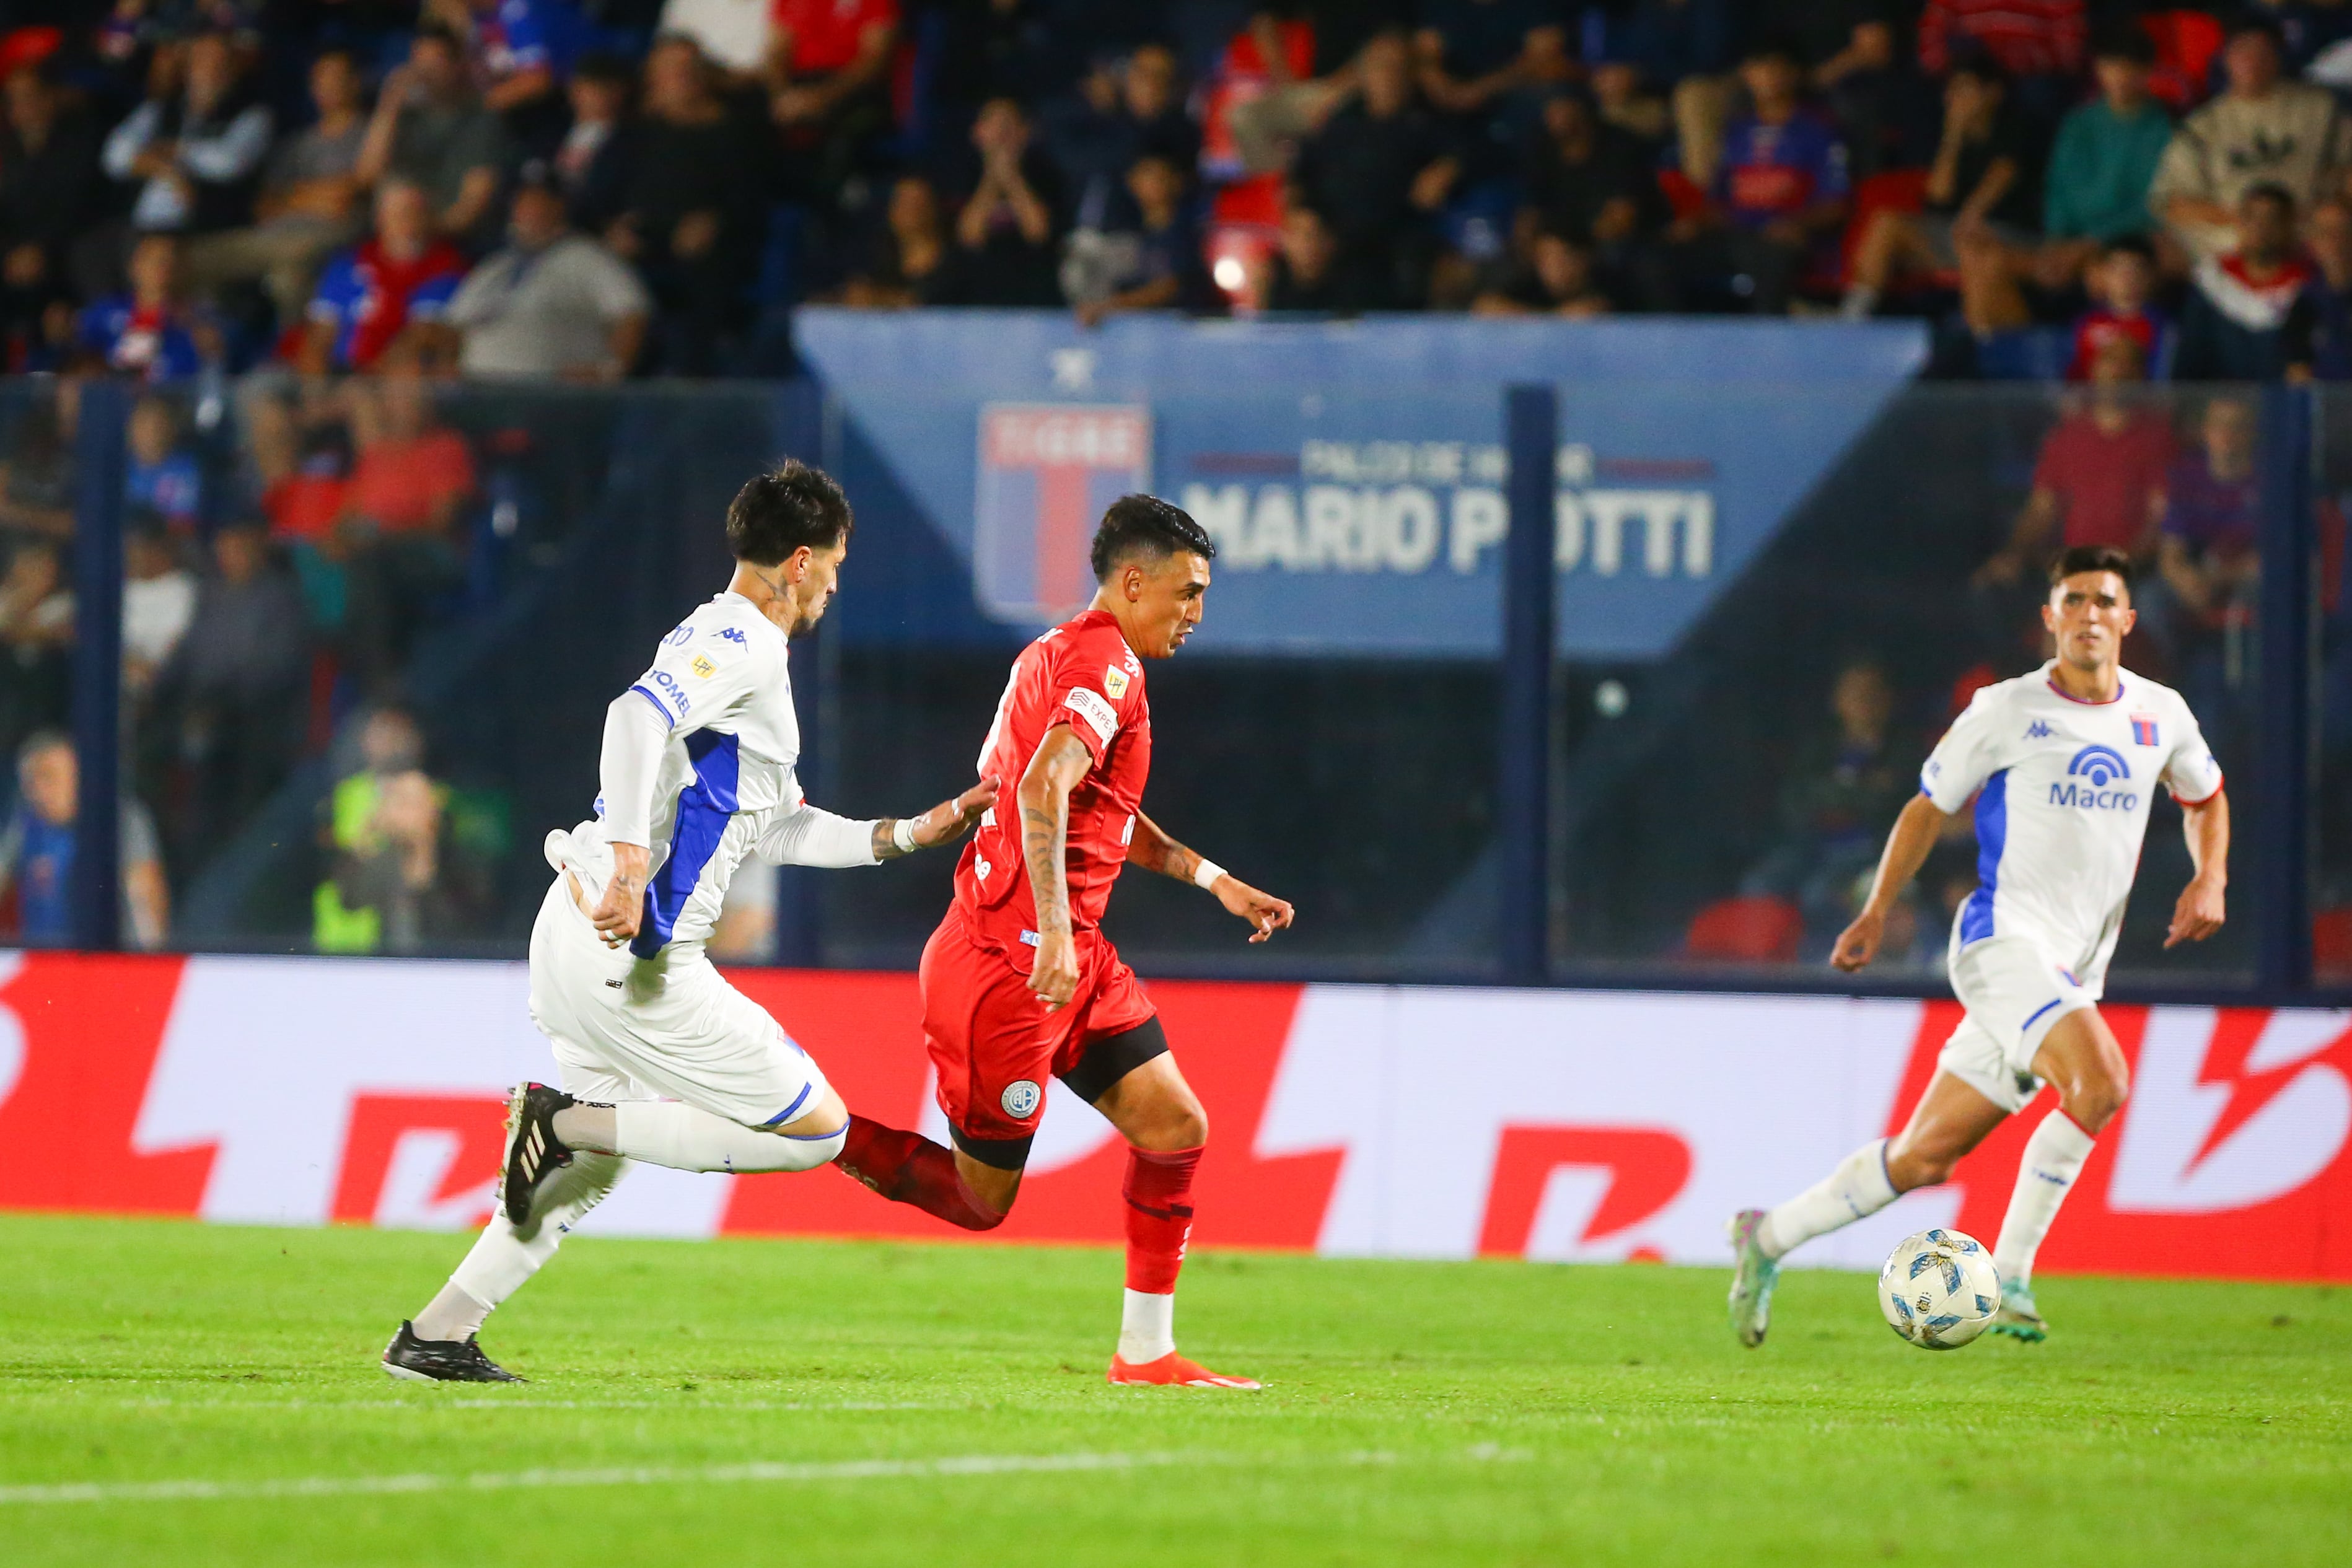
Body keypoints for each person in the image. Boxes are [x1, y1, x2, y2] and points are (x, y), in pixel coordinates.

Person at [382, 460, 995, 1382]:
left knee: (582, 1174)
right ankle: (565, 1124)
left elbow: (774, 824)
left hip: (576, 934)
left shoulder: (741, 652)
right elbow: (631, 717)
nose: (835, 580)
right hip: (634, 953)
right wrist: (633, 857)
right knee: (816, 1129)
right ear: (798, 561)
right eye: (833, 562)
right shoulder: (738, 638)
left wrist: (904, 833)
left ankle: (435, 1334)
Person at [831, 494, 1295, 1389]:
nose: (1197, 612)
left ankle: (1146, 1352)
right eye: (1188, 592)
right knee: (980, 1201)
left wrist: (1213, 879)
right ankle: (806, 1124)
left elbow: (1098, 807)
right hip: (1011, 967)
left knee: (1175, 1125)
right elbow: (1045, 788)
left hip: (1064, 951)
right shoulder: (1109, 667)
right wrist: (1051, 930)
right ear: (1133, 580)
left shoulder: (1061, 652)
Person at [1727, 546, 2229, 1348]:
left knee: (1923, 1157)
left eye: (2106, 600)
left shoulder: (2161, 712)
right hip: (2002, 940)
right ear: (2050, 617)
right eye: (2074, 600)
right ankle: (2015, 1274)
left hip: (2071, 968)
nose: (2090, 614)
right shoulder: (2005, 708)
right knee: (2101, 1083)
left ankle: (1767, 1236)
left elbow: (2205, 795)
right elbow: (1928, 807)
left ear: (2128, 619)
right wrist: (1876, 907)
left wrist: (2211, 878)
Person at [183, 47, 371, 331]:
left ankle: (290, 351)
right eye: (321, 79)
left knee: (289, 277)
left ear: (355, 82)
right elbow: (264, 206)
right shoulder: (296, 143)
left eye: (337, 78)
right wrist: (317, 197)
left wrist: (294, 197)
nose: (328, 87)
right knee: (191, 259)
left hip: (332, 235)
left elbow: (348, 195)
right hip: (275, 236)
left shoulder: (370, 135)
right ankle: (217, 345)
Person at [1842, 55, 2037, 322]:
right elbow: (1937, 196)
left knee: (1972, 247)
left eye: (1964, 87)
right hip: (1957, 235)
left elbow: (2003, 173)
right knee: (1886, 223)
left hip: (2010, 236)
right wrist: (1952, 135)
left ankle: (1976, 344)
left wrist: (1970, 216)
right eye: (1952, 89)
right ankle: (1851, 318)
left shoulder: (2018, 126)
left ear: (1993, 92)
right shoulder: (1956, 138)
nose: (1954, 97)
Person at [1667, 38, 1849, 317]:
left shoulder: (1818, 130)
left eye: (1776, 69)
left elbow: (1835, 204)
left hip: (1783, 240)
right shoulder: (1736, 131)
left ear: (1794, 74)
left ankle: (1770, 346)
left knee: (1770, 257)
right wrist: (1696, 222)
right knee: (1657, 258)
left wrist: (1796, 223)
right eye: (1759, 69)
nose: (1767, 77)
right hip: (1735, 238)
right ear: (1746, 76)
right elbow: (1718, 199)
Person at [2148, 19, 2351, 265]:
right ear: (2226, 58)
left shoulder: (2319, 108)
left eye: (2262, 52)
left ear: (2277, 57)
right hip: (2229, 246)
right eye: (2243, 51)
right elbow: (2173, 203)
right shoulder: (2201, 126)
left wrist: (2327, 207)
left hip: (2307, 235)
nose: (2252, 61)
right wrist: (2250, 221)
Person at [1288, 30, 1459, 312]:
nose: (1388, 75)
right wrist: (1296, 202)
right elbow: (1305, 164)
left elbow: (1469, 150)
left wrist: (1449, 167)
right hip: (1330, 229)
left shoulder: (1424, 121)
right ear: (1364, 74)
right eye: (1380, 66)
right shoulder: (1344, 119)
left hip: (1388, 234)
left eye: (1397, 67)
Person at [447, 165, 648, 380]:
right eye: (522, 202)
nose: (528, 210)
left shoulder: (588, 257)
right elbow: (453, 325)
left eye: (538, 201)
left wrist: (610, 371)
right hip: (477, 391)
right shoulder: (496, 265)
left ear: (559, 206)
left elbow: (632, 313)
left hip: (549, 395)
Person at [0, 730, 169, 949]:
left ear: (80, 777)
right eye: (30, 781)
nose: (38, 791)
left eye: (49, 777)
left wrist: (150, 965)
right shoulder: (25, 824)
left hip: (105, 962)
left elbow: (145, 898)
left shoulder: (121, 819)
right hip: (40, 964)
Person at [100, 29, 273, 237]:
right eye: (203, 60)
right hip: (138, 227)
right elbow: (115, 156)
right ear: (188, 65)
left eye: (221, 61)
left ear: (236, 67)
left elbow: (230, 161)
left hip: (204, 229)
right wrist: (168, 171)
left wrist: (168, 151)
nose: (211, 69)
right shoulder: (160, 110)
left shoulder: (254, 114)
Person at [354, 24, 509, 247]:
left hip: (451, 239)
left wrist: (422, 228)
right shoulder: (404, 115)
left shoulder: (481, 119)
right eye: (419, 60)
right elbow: (366, 176)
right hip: (399, 234)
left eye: (435, 61)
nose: (425, 70)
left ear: (457, 65)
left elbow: (471, 207)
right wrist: (389, 106)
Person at [299, 178, 468, 376]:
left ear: (429, 216)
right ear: (380, 217)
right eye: (396, 213)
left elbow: (419, 338)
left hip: (392, 379)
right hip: (336, 371)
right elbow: (319, 334)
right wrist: (315, 385)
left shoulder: (446, 268)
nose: (405, 222)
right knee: (268, 393)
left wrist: (367, 383)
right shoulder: (349, 263)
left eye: (413, 212)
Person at [2174, 183, 2314, 382]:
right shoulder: (2212, 281)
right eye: (2251, 217)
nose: (2261, 228)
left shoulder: (2310, 286)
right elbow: (2190, 360)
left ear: (2290, 225)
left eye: (2273, 219)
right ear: (2239, 222)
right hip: (2220, 404)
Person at [949, 96, 1066, 307]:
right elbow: (969, 236)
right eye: (993, 122)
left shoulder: (1044, 174)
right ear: (978, 132)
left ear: (1025, 132)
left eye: (1008, 123)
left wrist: (1011, 177)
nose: (1001, 131)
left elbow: (1038, 232)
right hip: (980, 297)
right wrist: (992, 178)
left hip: (1035, 295)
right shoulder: (965, 177)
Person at [77, 232, 211, 382]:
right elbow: (77, 360)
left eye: (169, 261)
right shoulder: (104, 313)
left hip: (175, 400)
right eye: (154, 261)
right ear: (134, 266)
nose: (162, 269)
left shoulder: (200, 320)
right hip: (113, 399)